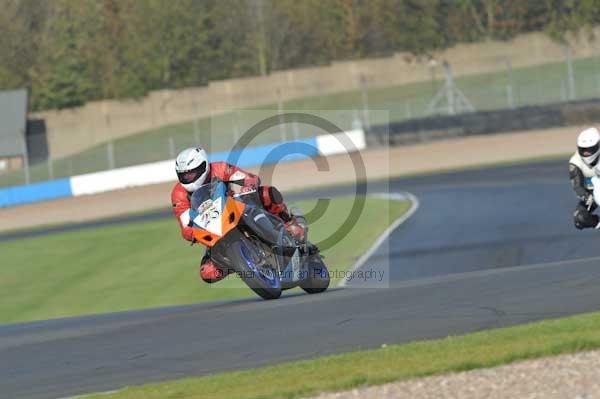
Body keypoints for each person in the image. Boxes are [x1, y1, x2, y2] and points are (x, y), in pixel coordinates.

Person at [171, 147, 306, 283]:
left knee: (265, 193)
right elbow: (185, 223)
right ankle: (243, 264)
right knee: (208, 272)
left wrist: (248, 185)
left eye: (191, 173)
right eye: (183, 175)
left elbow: (247, 178)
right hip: (212, 229)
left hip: (234, 209)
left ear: (204, 166)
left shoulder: (219, 168)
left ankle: (289, 224)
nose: (187, 178)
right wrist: (191, 233)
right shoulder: (179, 194)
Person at [570, 127, 600, 230]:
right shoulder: (575, 162)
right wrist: (587, 197)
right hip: (591, 193)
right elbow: (577, 187)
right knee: (580, 218)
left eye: (590, 149)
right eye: (583, 150)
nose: (586, 153)